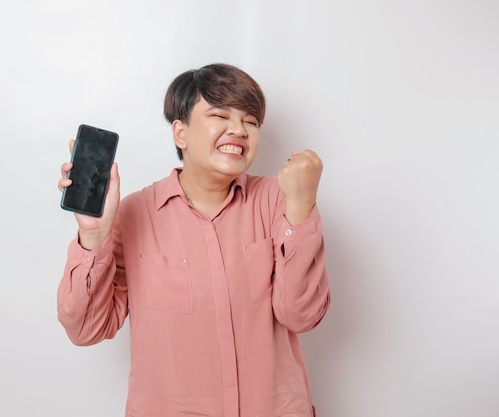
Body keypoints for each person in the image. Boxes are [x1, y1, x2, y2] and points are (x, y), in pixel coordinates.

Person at [57, 63, 330, 417]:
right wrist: (93, 235)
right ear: (180, 133)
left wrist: (302, 206)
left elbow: (301, 315)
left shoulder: (281, 199)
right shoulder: (134, 214)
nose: (240, 130)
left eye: (251, 121)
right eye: (220, 115)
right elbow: (85, 329)